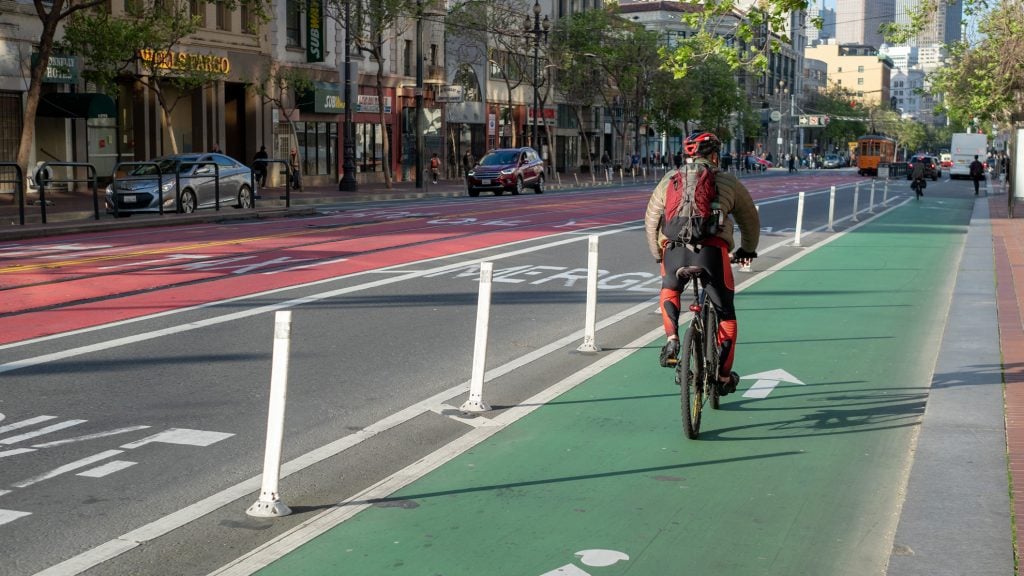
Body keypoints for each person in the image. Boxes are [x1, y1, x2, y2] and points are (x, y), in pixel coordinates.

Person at [643, 130, 760, 395]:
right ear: (715, 155)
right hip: (712, 254)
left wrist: (658, 254)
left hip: (674, 251)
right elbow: (749, 220)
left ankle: (672, 340)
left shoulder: (669, 180)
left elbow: (651, 221)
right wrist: (747, 250)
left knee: (669, 290)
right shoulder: (728, 181)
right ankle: (722, 376)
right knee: (726, 315)